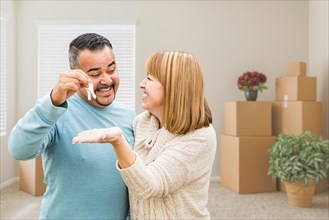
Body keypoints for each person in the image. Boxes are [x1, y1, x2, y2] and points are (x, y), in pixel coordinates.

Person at [73, 51, 217, 219]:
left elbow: (149, 185)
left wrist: (117, 141)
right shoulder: (143, 122)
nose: (141, 84)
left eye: (149, 78)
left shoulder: (199, 137)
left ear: (173, 86)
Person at [8, 33, 135, 219]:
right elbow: (18, 150)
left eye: (111, 69)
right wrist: (53, 101)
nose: (106, 80)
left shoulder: (129, 116)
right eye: (95, 74)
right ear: (77, 76)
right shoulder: (56, 112)